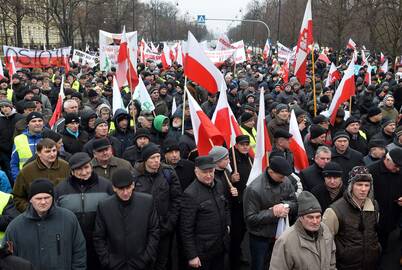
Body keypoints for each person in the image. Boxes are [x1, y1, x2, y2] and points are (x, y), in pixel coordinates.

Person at [4, 179, 87, 270]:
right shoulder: (15, 227)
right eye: (38, 198)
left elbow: (79, 251)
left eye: (47, 197)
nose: (43, 202)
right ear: (30, 200)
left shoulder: (69, 219)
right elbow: (7, 259)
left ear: (53, 198)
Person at [55, 152, 114, 270]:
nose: (84, 172)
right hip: (72, 241)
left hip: (100, 242)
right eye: (79, 169)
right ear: (72, 171)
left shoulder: (106, 185)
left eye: (86, 167)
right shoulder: (61, 189)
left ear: (91, 166)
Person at [93, 168, 159, 269]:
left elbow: (154, 232)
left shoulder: (147, 202)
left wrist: (146, 257)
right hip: (114, 265)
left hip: (142, 263)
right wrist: (107, 260)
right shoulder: (104, 206)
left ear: (133, 185)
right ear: (114, 188)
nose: (125, 192)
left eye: (128, 188)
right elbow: (99, 237)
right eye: (121, 189)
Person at [133, 143, 182, 270]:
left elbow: (176, 199)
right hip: (143, 229)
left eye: (158, 157)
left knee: (162, 261)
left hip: (164, 227)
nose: (156, 161)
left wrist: (170, 222)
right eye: (152, 158)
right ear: (145, 160)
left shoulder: (168, 173)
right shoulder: (135, 176)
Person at [243, 156, 297, 270]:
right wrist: (273, 213)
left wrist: (284, 205)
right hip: (260, 237)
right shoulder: (254, 189)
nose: (283, 180)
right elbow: (250, 218)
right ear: (271, 171)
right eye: (281, 177)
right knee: (259, 266)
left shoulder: (285, 180)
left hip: (281, 234)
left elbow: (294, 202)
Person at [323, 166, 381, 270]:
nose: (363, 189)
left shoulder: (374, 205)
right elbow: (325, 243)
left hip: (371, 264)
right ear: (351, 186)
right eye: (359, 184)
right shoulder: (334, 211)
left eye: (366, 185)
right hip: (345, 265)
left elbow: (374, 233)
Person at [180, 156, 231, 270]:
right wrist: (192, 256)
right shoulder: (190, 194)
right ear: (196, 171)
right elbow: (186, 228)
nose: (208, 175)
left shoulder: (219, 184)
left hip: (221, 246)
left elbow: (225, 207)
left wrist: (228, 225)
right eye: (204, 172)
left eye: (211, 171)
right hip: (203, 252)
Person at [269, 191, 336, 270]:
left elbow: (332, 262)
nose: (315, 221)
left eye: (318, 217)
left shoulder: (325, 231)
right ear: (301, 218)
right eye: (310, 217)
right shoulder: (285, 240)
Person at [13, 138, 70, 212]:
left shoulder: (65, 167)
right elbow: (17, 197)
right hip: (36, 216)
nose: (52, 154)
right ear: (39, 153)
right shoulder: (26, 171)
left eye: (54, 151)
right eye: (47, 151)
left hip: (61, 213)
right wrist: (31, 211)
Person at [368, 148, 402, 251]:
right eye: (396, 166)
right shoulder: (371, 171)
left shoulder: (399, 169)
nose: (398, 169)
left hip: (394, 216)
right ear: (387, 160)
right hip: (376, 217)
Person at [229, 135, 253, 270]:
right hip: (236, 204)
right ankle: (234, 261)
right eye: (242, 144)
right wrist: (232, 180)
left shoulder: (250, 158)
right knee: (236, 234)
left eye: (247, 144)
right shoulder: (231, 160)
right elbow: (222, 181)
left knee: (244, 232)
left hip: (248, 202)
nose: (245, 146)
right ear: (236, 145)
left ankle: (240, 255)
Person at [10, 111, 44, 181]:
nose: (37, 123)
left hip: (46, 179)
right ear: (28, 124)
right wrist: (17, 179)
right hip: (25, 179)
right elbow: (14, 163)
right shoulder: (18, 139)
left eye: (40, 121)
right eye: (33, 121)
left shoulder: (49, 137)